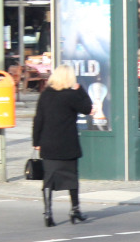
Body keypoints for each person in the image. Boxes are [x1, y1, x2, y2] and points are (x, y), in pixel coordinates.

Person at [32, 64, 94, 227]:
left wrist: (36, 142)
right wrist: (80, 90)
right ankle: (75, 210)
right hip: (67, 143)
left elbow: (38, 120)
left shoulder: (45, 95)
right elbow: (88, 109)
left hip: (48, 144)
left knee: (48, 179)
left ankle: (48, 213)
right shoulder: (71, 95)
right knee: (72, 177)